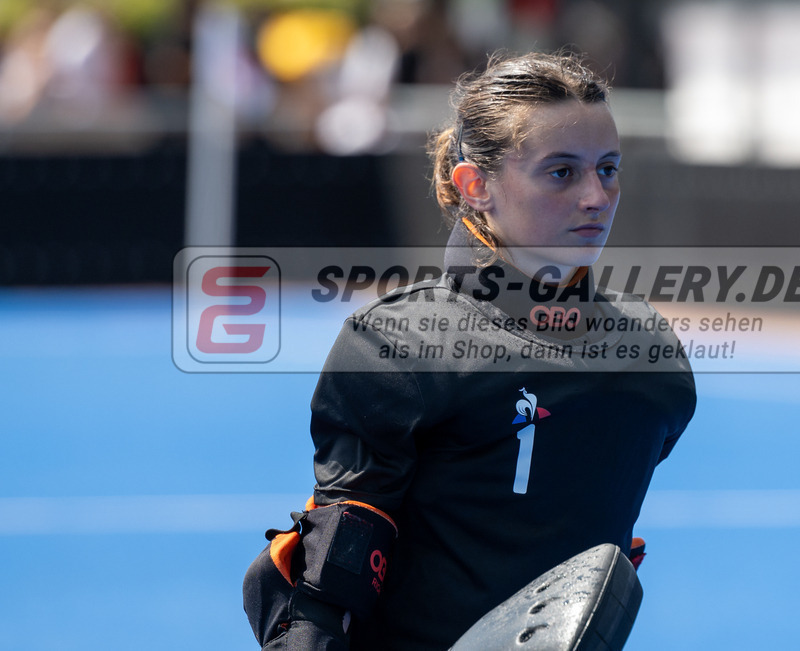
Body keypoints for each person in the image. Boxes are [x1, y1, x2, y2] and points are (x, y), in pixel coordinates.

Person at [243, 50, 697, 650]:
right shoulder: (398, 344)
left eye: (608, 169)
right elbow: (333, 578)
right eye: (562, 172)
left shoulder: (654, 361)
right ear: (475, 185)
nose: (596, 196)